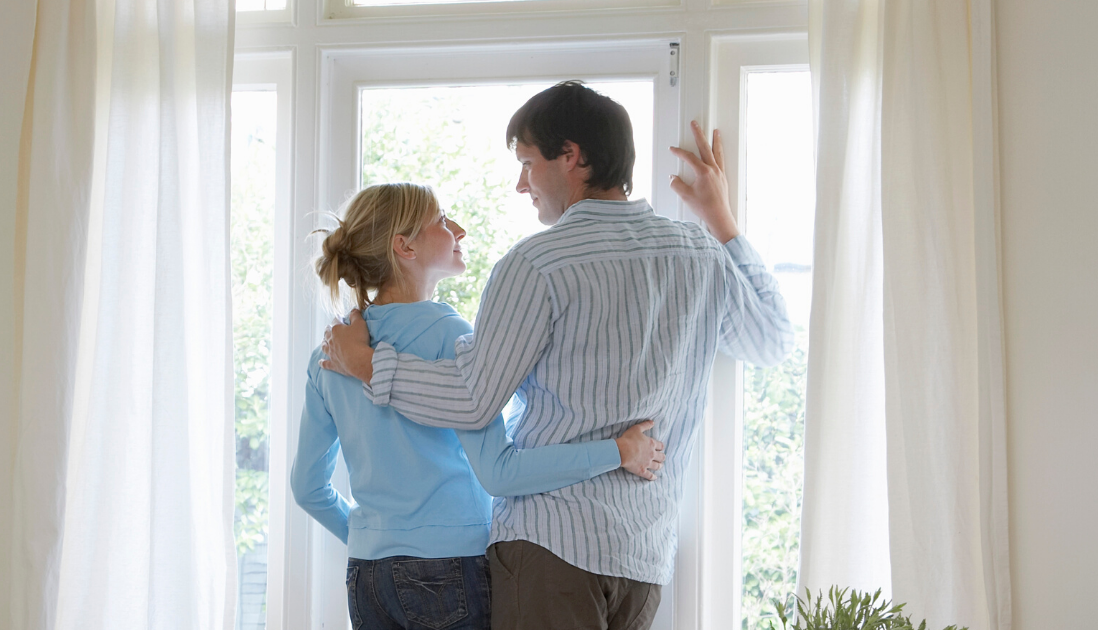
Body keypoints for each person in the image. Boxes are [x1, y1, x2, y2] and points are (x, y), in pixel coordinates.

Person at [320, 82, 794, 630]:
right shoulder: (699, 255)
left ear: (572, 157)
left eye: (527, 162)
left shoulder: (537, 263)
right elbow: (773, 339)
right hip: (643, 557)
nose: (521, 184)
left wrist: (370, 366)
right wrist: (722, 220)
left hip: (549, 549)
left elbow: (473, 401)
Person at [290, 182, 668, 630]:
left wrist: (371, 538)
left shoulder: (329, 354)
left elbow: (307, 488)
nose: (459, 230)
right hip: (450, 570)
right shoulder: (450, 336)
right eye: (443, 219)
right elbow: (501, 472)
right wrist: (618, 451)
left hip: (367, 575)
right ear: (403, 245)